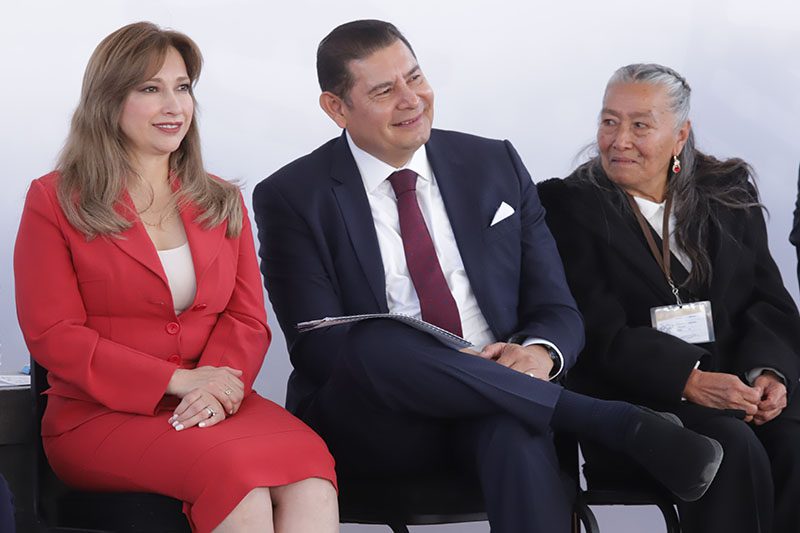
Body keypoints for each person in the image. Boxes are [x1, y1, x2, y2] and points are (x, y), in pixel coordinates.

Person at [253, 20, 724, 533]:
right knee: (371, 339)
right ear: (336, 108)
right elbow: (318, 346)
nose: (411, 100)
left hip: (505, 404)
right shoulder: (292, 195)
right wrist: (474, 372)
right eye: (385, 91)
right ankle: (605, 419)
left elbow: (555, 306)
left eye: (416, 77)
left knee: (512, 429)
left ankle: (560, 407)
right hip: (382, 422)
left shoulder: (493, 162)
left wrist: (540, 353)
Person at [14, 22, 337, 533]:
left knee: (311, 471)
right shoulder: (54, 200)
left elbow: (246, 319)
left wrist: (215, 389)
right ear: (108, 101)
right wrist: (176, 380)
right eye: (150, 88)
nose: (174, 106)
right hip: (98, 415)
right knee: (240, 484)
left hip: (214, 401)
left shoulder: (221, 199)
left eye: (182, 87)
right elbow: (53, 334)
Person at [538, 63, 800, 533]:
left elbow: (767, 299)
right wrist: (688, 380)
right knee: (728, 447)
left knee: (792, 441)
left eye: (640, 125)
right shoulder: (567, 205)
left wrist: (768, 374)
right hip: (638, 408)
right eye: (609, 121)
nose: (619, 140)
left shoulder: (727, 191)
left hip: (737, 391)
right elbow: (593, 327)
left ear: (680, 135)